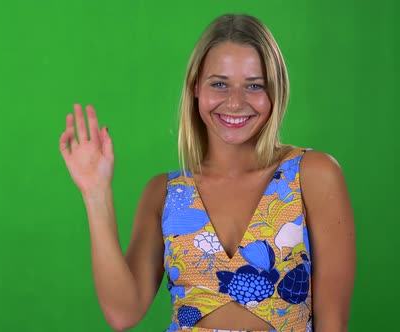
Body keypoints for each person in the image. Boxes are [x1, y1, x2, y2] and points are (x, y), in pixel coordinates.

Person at [59, 14, 355, 332]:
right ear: (196, 87)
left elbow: (333, 321)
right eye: (219, 84)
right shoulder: (165, 193)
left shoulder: (313, 175)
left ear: (276, 92)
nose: (235, 102)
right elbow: (123, 314)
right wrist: (95, 193)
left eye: (254, 85)